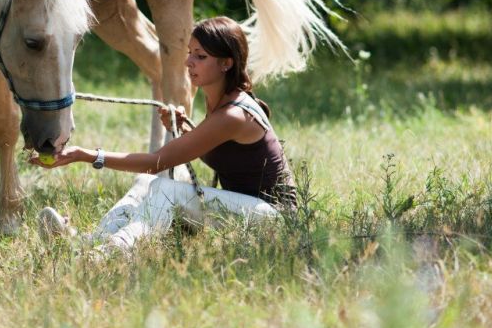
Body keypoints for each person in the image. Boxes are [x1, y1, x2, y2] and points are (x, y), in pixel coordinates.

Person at [30, 16, 297, 252]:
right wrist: (184, 129)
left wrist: (83, 154)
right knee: (145, 184)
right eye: (190, 52)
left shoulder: (233, 114)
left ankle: (111, 253)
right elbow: (217, 147)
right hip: (245, 208)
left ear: (226, 63)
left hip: (275, 220)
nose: (189, 62)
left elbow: (155, 162)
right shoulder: (219, 100)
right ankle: (87, 243)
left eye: (200, 57)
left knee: (165, 188)